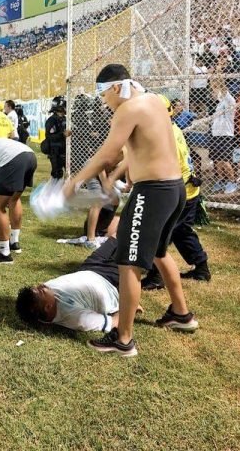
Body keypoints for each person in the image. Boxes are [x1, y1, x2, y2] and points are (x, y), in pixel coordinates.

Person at [62, 64, 198, 358]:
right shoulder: (154, 102)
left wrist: (75, 181)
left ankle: (123, 339)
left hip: (153, 192)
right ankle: (181, 314)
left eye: (102, 93)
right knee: (159, 253)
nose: (103, 101)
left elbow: (109, 153)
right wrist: (118, 175)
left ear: (115, 87)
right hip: (174, 189)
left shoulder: (128, 109)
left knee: (128, 261)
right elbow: (143, 149)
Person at [141, 96, 211, 290]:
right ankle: (201, 268)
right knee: (181, 231)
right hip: (188, 190)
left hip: (179, 191)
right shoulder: (173, 128)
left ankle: (156, 276)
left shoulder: (164, 134)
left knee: (160, 233)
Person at [16, 238, 144, 332]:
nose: (42, 285)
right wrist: (128, 305)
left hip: (89, 267)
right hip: (109, 281)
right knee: (135, 242)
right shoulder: (76, 318)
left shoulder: (43, 301)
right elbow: (114, 323)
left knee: (117, 236)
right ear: (48, 307)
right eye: (41, 290)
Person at [209, 77, 238, 194]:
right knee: (218, 161)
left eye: (216, 90)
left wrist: (220, 82)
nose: (214, 92)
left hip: (226, 134)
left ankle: (232, 181)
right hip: (216, 134)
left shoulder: (229, 101)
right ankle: (221, 180)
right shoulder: (219, 104)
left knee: (225, 160)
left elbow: (224, 90)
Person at [45, 98, 67, 179]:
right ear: (59, 107)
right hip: (55, 152)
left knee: (71, 172)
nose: (65, 108)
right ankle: (54, 190)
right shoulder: (51, 120)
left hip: (64, 150)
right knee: (57, 174)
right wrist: (62, 134)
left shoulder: (65, 119)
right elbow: (49, 136)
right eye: (64, 106)